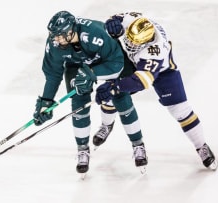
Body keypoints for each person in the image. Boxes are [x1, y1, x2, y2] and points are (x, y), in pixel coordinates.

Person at [95, 11, 218, 170]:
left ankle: (201, 145)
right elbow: (116, 18)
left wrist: (115, 85)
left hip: (162, 72)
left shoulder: (155, 51)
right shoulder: (134, 21)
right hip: (133, 62)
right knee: (112, 97)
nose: (130, 43)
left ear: (146, 42)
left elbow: (140, 81)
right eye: (129, 38)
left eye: (135, 42)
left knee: (181, 111)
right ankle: (106, 125)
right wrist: (112, 23)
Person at [33, 10, 148, 175]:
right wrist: (46, 102)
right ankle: (82, 149)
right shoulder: (55, 44)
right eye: (54, 35)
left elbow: (117, 63)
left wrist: (92, 73)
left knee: (120, 95)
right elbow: (53, 74)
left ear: (71, 31)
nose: (55, 39)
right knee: (78, 99)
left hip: (110, 60)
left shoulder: (96, 33)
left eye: (59, 35)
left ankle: (138, 144)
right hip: (77, 65)